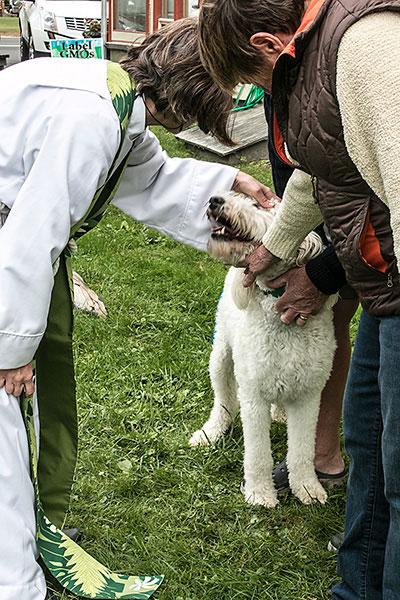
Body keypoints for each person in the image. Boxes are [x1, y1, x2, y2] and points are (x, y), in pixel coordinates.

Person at [0, 18, 273, 600]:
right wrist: (12, 348)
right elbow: (34, 227)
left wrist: (230, 182)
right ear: (193, 91)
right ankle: (15, 582)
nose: (203, 123)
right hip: (9, 245)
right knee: (2, 420)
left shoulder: (115, 106)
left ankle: (26, 536)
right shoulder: (94, 117)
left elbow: (152, 180)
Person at [199, 1, 400, 599]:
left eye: (248, 82)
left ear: (267, 43)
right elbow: (319, 172)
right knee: (369, 444)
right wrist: (276, 250)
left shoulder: (366, 51)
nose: (257, 96)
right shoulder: (318, 62)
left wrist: (316, 266)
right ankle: (358, 588)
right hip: (382, 287)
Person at [262, 94, 358, 493]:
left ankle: (323, 455)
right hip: (314, 208)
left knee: (334, 315)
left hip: (364, 222)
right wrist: (291, 233)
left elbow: (367, 197)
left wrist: (324, 272)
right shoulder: (278, 84)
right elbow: (293, 170)